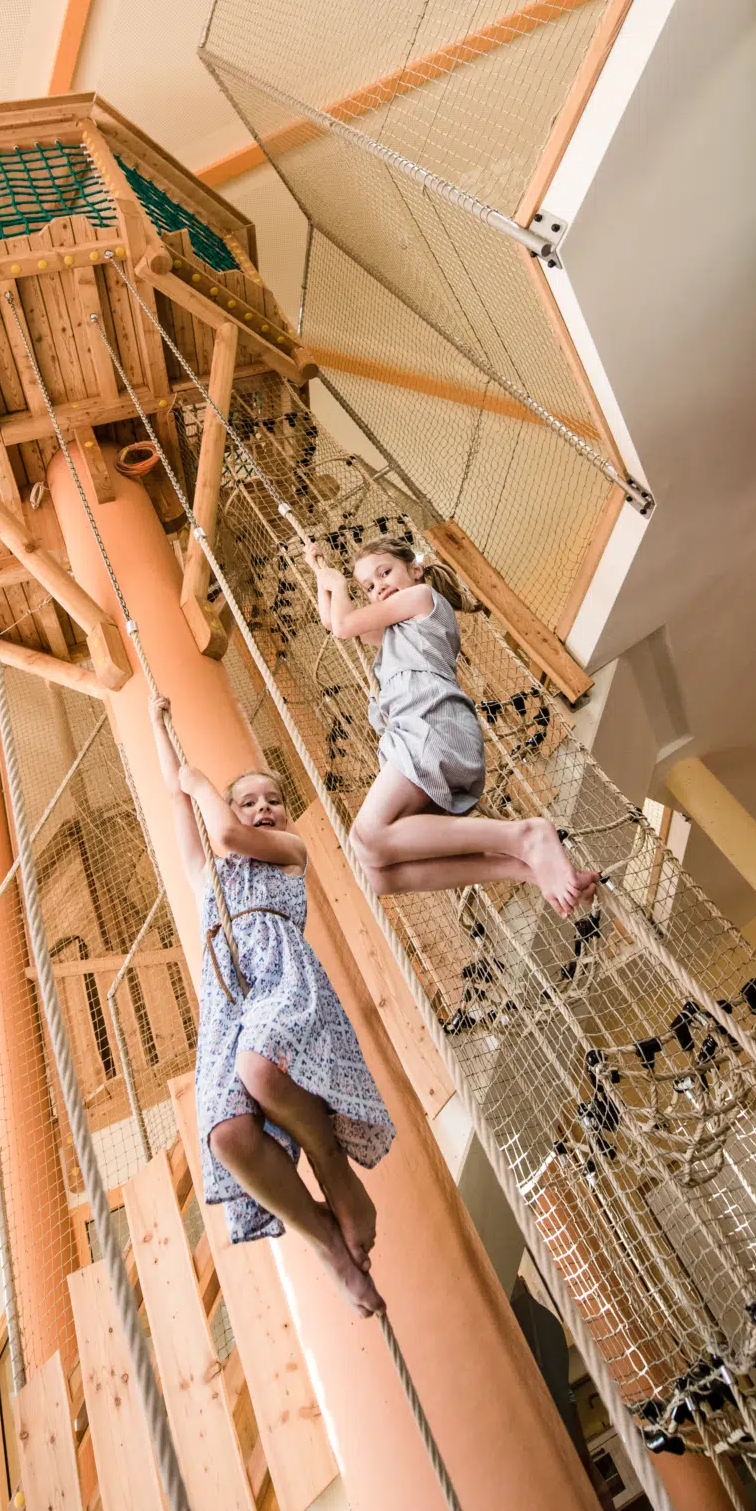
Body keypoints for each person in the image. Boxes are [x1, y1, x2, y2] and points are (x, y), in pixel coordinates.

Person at [151, 695, 394, 1315]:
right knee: (227, 1136)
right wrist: (162, 733)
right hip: (226, 998)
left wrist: (206, 782)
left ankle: (333, 1168)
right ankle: (327, 1247)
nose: (262, 809)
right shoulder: (209, 875)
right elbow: (181, 804)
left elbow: (218, 822)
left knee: (261, 1071)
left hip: (280, 978)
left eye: (272, 801)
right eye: (248, 800)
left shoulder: (290, 854)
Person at [305, 536, 596, 917]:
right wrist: (318, 573)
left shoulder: (420, 599)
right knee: (379, 874)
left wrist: (340, 585)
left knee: (367, 836)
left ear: (415, 569)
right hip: (417, 733)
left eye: (385, 572)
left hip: (433, 724)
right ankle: (524, 868)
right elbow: (334, 621)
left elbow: (343, 624)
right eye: (369, 587)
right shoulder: (395, 630)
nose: (379, 587)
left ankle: (523, 836)